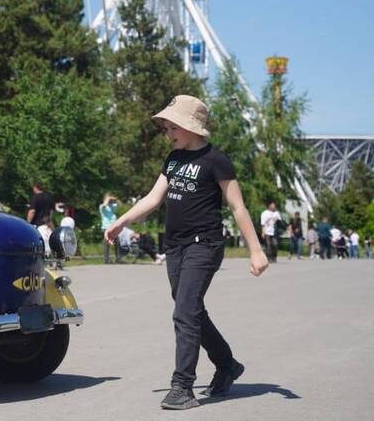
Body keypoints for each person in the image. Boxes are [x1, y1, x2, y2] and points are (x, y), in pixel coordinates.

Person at [104, 94, 268, 410]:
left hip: (203, 245)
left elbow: (238, 206)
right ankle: (227, 365)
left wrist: (256, 251)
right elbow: (153, 199)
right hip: (175, 246)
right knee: (189, 310)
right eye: (166, 128)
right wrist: (122, 221)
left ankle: (182, 386)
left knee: (184, 312)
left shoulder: (216, 160)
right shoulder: (173, 159)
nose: (168, 133)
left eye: (171, 128)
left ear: (190, 126)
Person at [99, 194, 120, 264]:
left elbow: (119, 204)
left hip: (114, 226)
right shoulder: (102, 207)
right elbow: (104, 205)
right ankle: (106, 259)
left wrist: (115, 199)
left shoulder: (112, 206)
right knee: (106, 243)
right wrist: (107, 199)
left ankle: (118, 258)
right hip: (106, 227)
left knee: (117, 242)